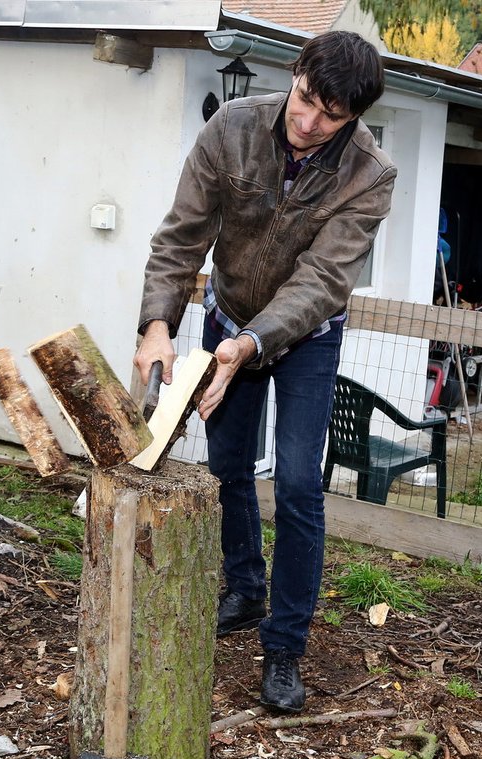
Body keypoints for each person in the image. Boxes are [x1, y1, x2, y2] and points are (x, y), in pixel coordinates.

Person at [133, 30, 395, 713]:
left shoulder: (371, 175)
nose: (308, 123)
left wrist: (249, 346)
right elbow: (182, 234)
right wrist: (158, 323)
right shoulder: (233, 126)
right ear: (297, 73)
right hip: (227, 314)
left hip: (305, 337)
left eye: (331, 117)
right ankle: (245, 588)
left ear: (354, 117)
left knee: (302, 485)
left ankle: (284, 646)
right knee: (226, 468)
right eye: (306, 100)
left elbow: (321, 281)